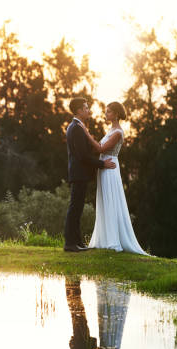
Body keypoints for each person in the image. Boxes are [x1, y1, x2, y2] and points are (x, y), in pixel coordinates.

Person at [78, 102, 150, 256]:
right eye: (106, 112)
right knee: (105, 200)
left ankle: (113, 240)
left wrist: (85, 132)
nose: (106, 114)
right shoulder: (111, 129)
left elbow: (101, 149)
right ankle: (104, 239)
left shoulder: (117, 132)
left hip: (110, 168)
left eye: (109, 112)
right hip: (104, 167)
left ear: (116, 114)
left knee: (111, 200)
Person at [64, 97, 116, 252]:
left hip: (79, 173)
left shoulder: (77, 127)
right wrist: (102, 164)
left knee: (77, 207)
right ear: (79, 111)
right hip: (79, 173)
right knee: (75, 208)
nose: (89, 110)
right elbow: (83, 156)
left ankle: (77, 242)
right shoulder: (76, 128)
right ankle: (70, 243)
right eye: (86, 108)